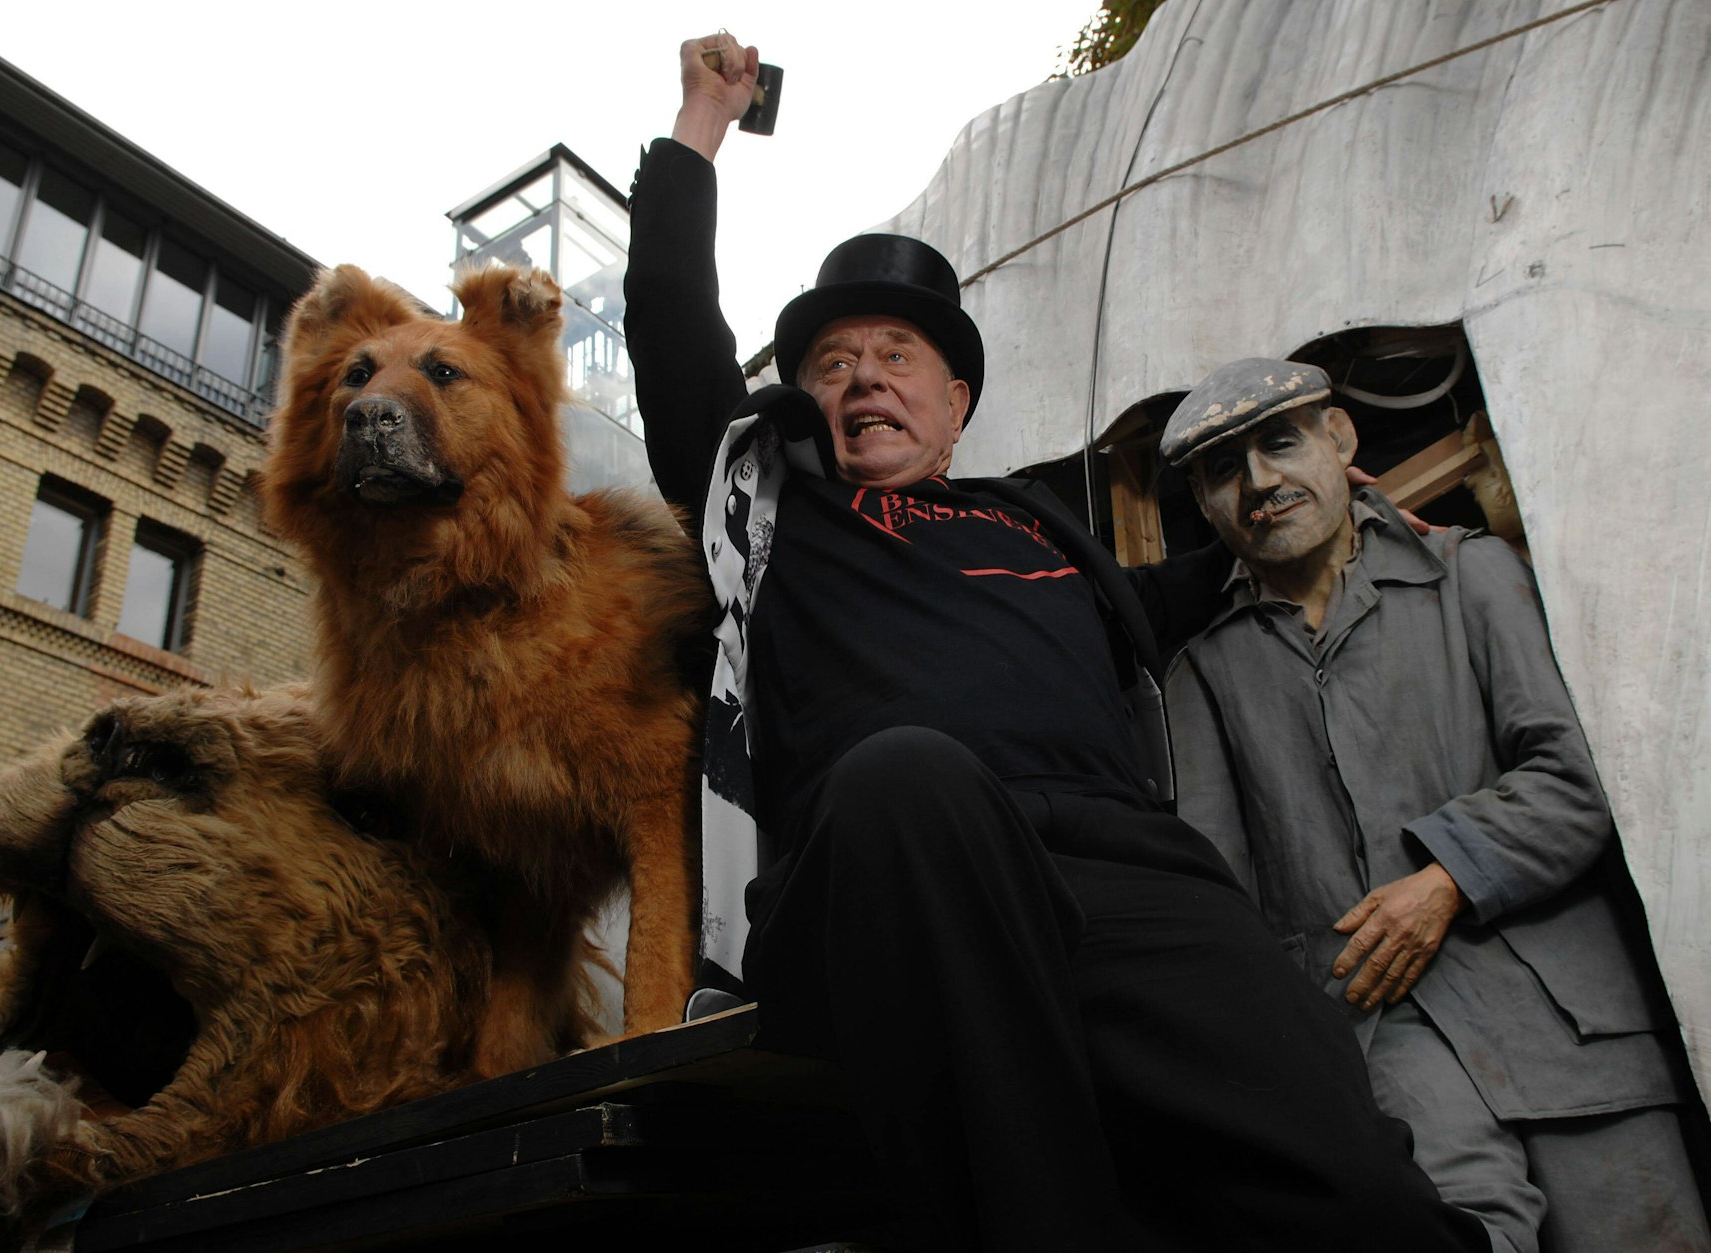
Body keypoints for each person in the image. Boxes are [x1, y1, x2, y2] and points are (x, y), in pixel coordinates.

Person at [620, 33, 1488, 1252]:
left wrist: (1372, 491)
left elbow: (1242, 550)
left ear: (955, 404)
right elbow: (667, 323)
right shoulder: (774, 513)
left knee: (1356, 1187)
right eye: (833, 363)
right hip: (885, 868)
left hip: (1115, 862)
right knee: (904, 777)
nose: (864, 377)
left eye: (895, 356)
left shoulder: (1037, 530)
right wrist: (700, 121)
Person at [1161, 358, 1711, 1253]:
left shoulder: (1471, 575)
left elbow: (1576, 780)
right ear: (1206, 504)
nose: (1259, 481)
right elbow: (1220, 912)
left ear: (1340, 440)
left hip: (1569, 1018)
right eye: (1224, 469)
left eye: (1281, 442)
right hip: (1383, 1046)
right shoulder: (1206, 672)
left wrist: (1448, 876)